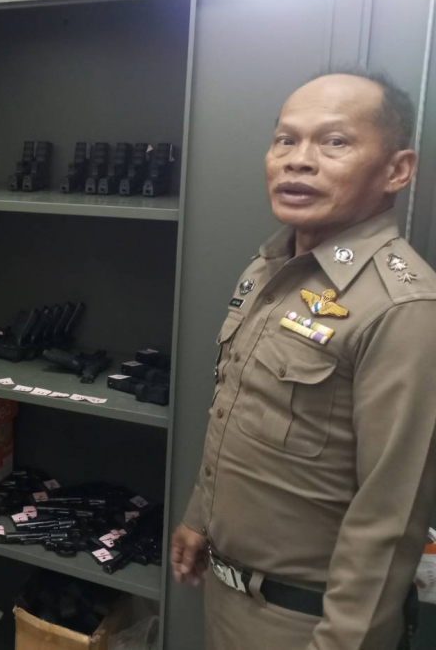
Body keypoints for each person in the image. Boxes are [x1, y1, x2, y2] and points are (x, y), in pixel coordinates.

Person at [171, 70, 436, 649]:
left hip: (306, 623)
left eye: (334, 142)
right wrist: (199, 517)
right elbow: (236, 407)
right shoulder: (270, 269)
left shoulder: (404, 308)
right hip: (226, 596)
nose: (298, 160)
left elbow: (390, 517)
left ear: (397, 170)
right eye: (285, 140)